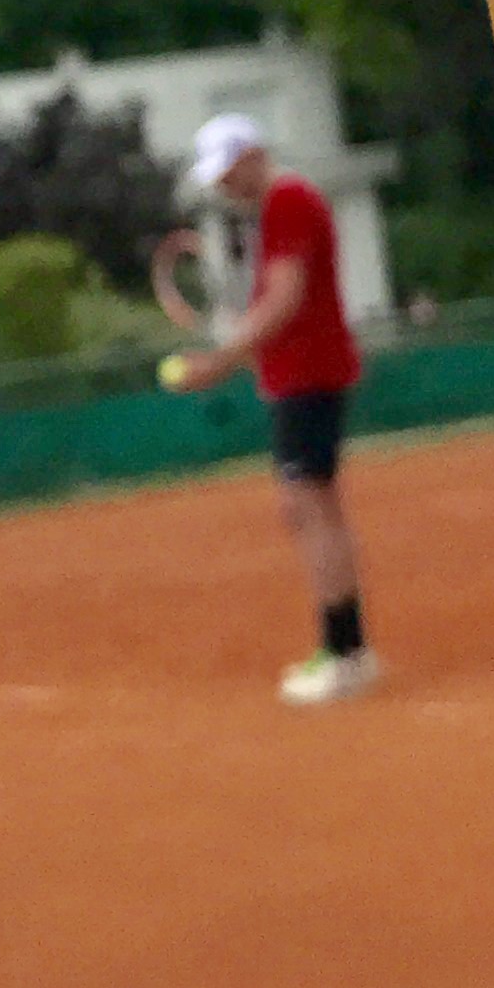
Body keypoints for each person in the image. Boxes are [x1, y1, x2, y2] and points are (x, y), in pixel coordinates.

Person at [153, 111, 378, 704]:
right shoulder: (283, 206)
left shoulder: (288, 202)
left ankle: (345, 654)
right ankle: (348, 647)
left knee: (309, 508)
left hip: (309, 379)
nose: (224, 186)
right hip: (302, 377)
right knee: (311, 507)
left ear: (252, 155)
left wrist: (219, 362)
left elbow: (283, 300)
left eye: (228, 171)